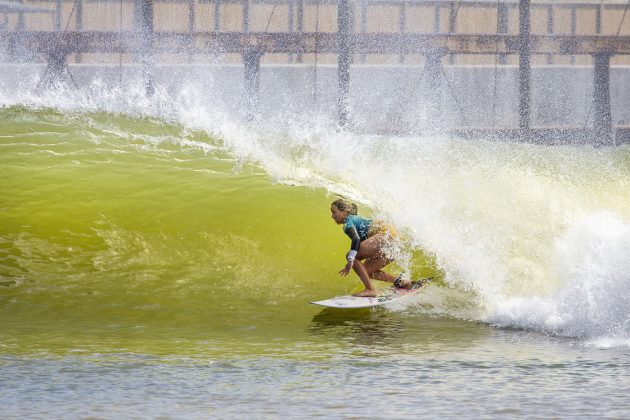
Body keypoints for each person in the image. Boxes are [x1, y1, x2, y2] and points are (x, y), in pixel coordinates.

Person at [331, 198, 411, 297]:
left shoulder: (348, 221)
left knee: (350, 255)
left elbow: (355, 239)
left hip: (386, 235)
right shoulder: (356, 221)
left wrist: (351, 260)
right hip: (395, 240)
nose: (332, 216)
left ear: (344, 212)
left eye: (334, 212)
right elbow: (359, 244)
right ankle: (401, 282)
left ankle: (370, 289)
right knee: (367, 271)